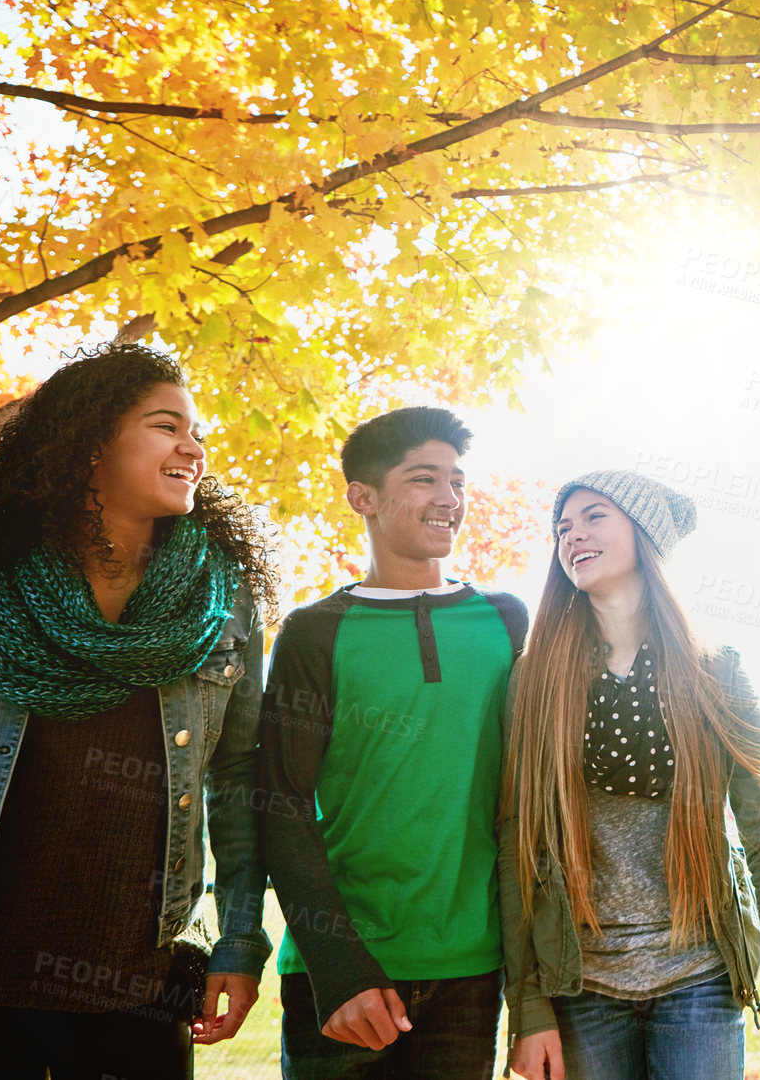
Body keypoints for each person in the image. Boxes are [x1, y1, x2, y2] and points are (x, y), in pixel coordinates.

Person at [0, 343, 274, 1078]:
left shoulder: (220, 608)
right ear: (89, 444)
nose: (193, 448)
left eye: (198, 433)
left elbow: (241, 782)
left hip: (138, 1000)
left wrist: (241, 940)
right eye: (167, 426)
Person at [501, 470, 760, 1080]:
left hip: (698, 978)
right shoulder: (536, 679)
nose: (573, 535)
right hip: (581, 983)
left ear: (644, 532)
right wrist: (527, 1006)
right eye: (563, 527)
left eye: (595, 516)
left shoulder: (716, 673)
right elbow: (516, 843)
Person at [258, 406, 527, 1079]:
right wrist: (338, 967)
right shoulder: (315, 632)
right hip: (345, 969)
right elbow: (279, 801)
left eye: (457, 481)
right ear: (364, 498)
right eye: (424, 479)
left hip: (471, 966)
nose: (449, 499)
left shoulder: (504, 619)